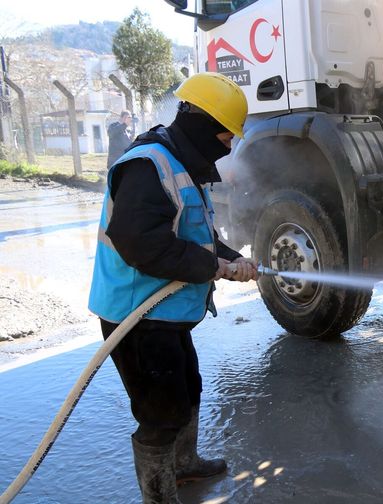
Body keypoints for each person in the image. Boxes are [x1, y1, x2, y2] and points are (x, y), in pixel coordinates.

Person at [88, 72, 258, 503]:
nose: (228, 146)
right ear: (203, 125)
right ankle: (159, 495)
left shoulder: (180, 162)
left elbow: (191, 233)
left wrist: (231, 257)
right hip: (136, 315)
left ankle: (183, 465)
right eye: (225, 137)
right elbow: (141, 243)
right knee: (160, 413)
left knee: (187, 387)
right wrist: (214, 266)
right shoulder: (148, 166)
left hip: (163, 312)